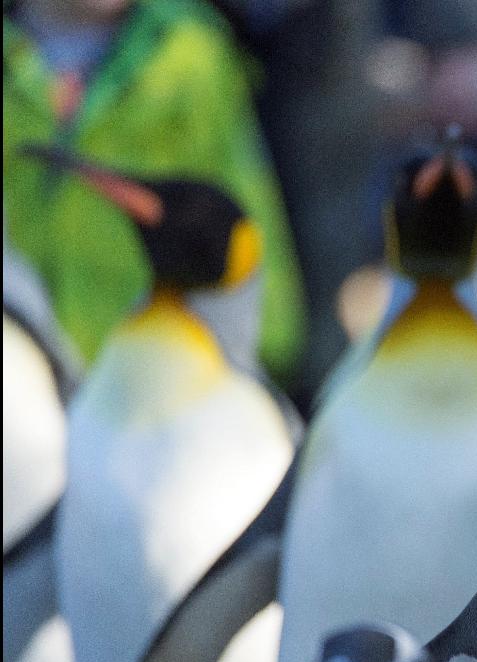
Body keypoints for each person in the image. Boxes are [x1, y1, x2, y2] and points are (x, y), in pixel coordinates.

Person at [4, 0, 306, 382]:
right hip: (20, 366)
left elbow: (242, 202)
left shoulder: (186, 48)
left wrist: (257, 349)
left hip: (155, 362)